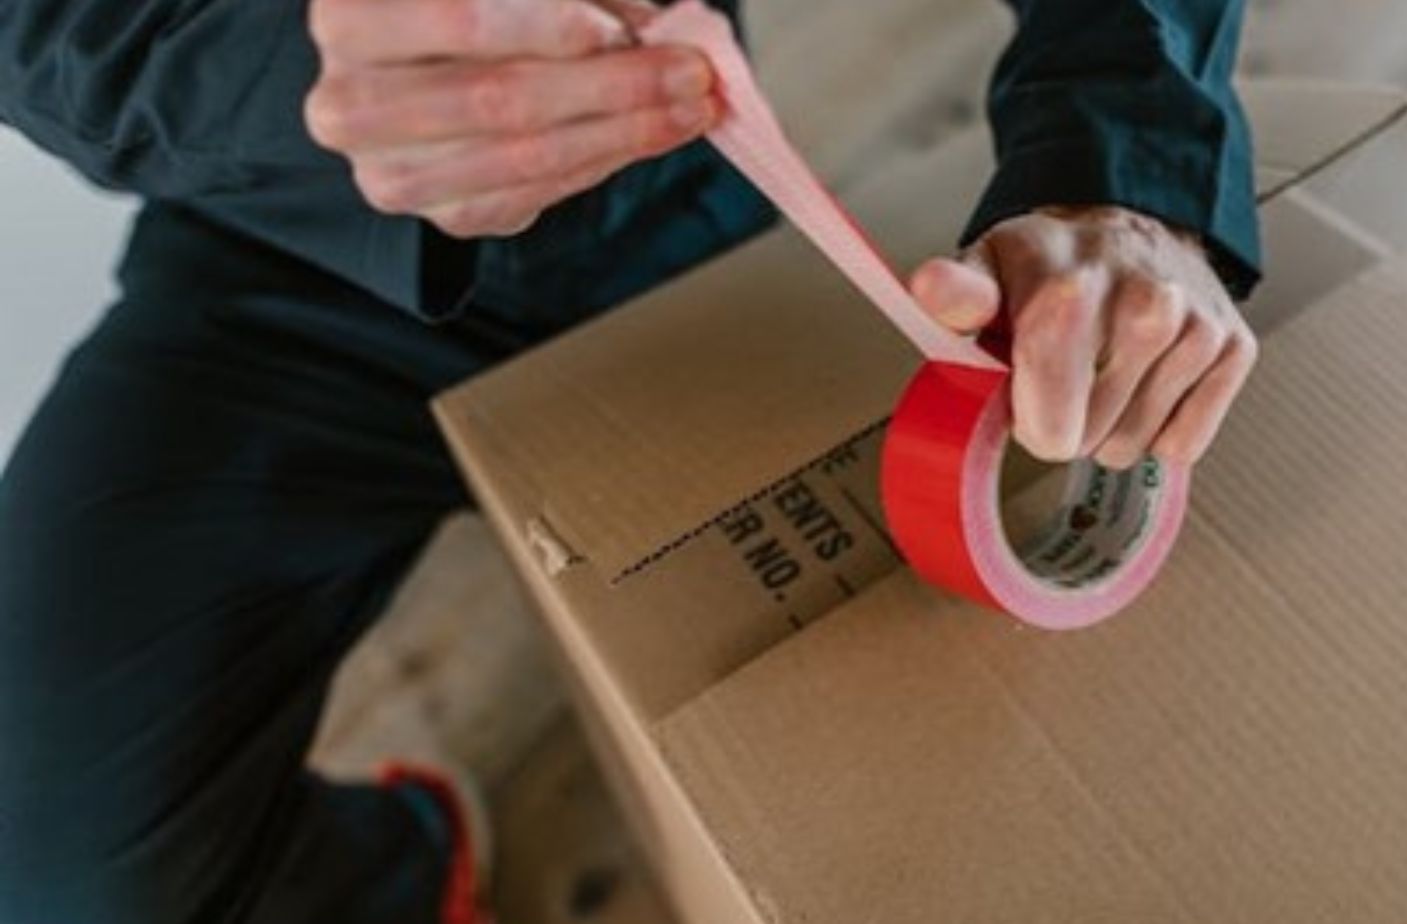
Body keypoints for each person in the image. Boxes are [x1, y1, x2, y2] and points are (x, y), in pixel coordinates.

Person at [0, 0, 1262, 920]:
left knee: (922, 746)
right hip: (283, 264)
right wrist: (293, 85)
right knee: (46, 873)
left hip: (675, 218)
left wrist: (1124, 167)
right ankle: (388, 873)